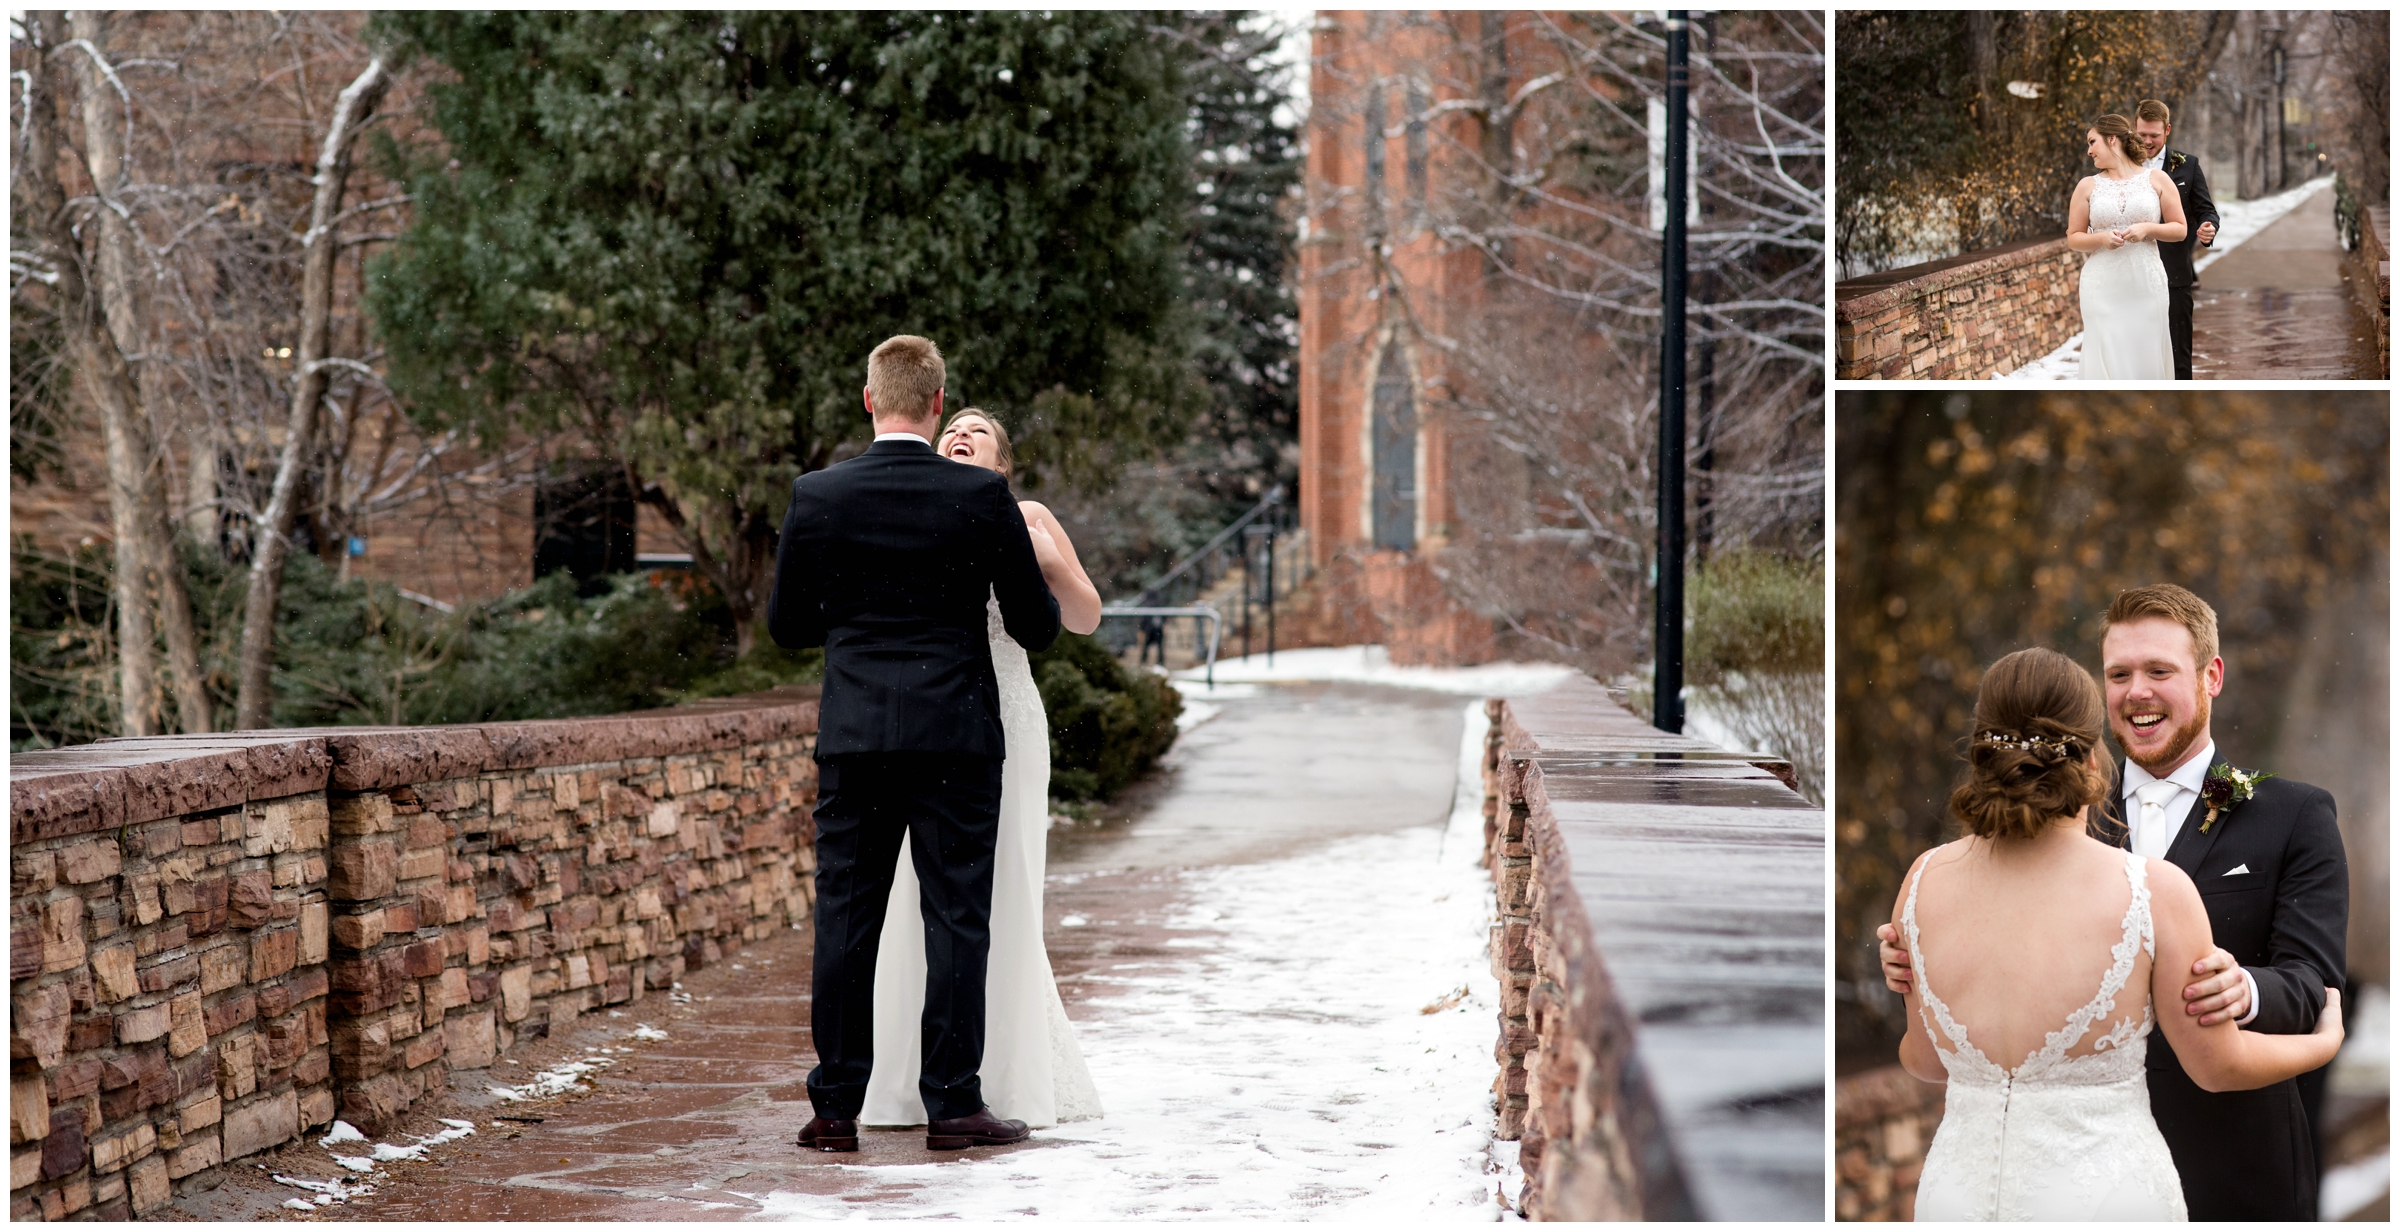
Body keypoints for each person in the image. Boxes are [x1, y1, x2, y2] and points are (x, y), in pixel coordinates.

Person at [1882, 585, 2352, 1220]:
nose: (2137, 692)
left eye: (2159, 670)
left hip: (2234, 1163)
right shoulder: (2051, 818)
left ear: (2211, 676)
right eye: (2119, 674)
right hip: (2107, 1175)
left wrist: (2246, 989)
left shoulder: (2294, 814)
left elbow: (2313, 979)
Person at [766, 335, 1060, 1153]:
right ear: (936, 404)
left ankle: (833, 1110)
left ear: (870, 400)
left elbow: (788, 625)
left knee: (845, 923)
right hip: (956, 737)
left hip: (856, 737)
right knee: (957, 921)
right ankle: (954, 1105)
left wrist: (858, 624)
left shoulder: (818, 494)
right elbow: (1035, 624)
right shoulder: (978, 497)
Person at [858, 407, 1105, 1130]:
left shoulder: (1026, 514)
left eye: (979, 433)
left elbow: (1085, 616)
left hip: (1009, 717)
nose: (960, 435)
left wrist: (1048, 561)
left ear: (1001, 464)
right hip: (930, 725)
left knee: (1007, 887)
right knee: (917, 890)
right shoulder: (913, 509)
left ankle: (1007, 1072)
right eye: (950, 430)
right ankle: (910, 1081)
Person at [2069, 114, 2186, 379]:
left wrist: (2148, 229)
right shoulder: (2087, 186)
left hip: (2145, 283)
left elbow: (2180, 229)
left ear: (2112, 140)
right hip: (2102, 285)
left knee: (2145, 351)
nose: (2088, 151)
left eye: (2092, 142)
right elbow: (2074, 237)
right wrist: (2100, 238)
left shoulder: (2158, 179)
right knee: (2106, 349)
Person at [2133, 100, 2221, 380]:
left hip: (2175, 275)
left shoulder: (2188, 165)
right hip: (2132, 275)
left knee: (2178, 357)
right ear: (2134, 128)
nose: (2147, 141)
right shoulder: (2120, 164)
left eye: (2154, 135)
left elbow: (2205, 209)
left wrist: (2209, 227)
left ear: (2167, 130)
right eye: (2142, 134)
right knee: (2136, 356)